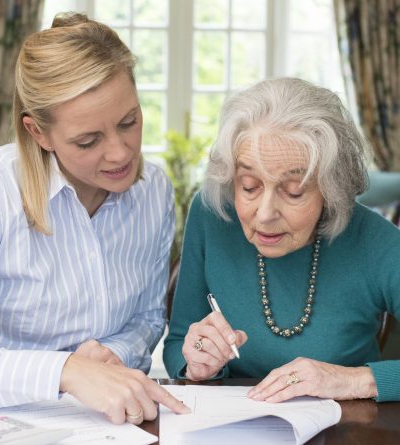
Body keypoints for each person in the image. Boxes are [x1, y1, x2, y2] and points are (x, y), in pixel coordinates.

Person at [0, 12, 190, 423]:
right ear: (38, 133)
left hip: (105, 421)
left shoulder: (153, 190)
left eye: (129, 122)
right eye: (88, 140)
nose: (120, 153)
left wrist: (111, 358)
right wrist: (65, 371)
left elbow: (148, 318)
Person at [163, 77, 400, 403]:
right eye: (249, 186)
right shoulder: (213, 214)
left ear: (332, 191)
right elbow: (178, 343)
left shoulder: (375, 241)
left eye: (294, 192)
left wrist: (356, 380)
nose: (264, 214)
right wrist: (197, 364)